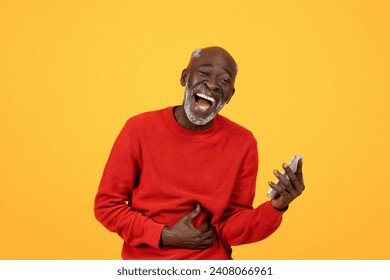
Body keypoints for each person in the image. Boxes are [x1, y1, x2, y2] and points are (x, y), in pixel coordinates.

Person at [94, 46, 305, 260]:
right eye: (204, 73)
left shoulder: (243, 142)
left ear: (230, 95)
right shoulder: (138, 129)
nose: (212, 84)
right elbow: (106, 206)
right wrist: (164, 235)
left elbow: (231, 227)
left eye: (224, 80)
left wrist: (277, 206)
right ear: (185, 77)